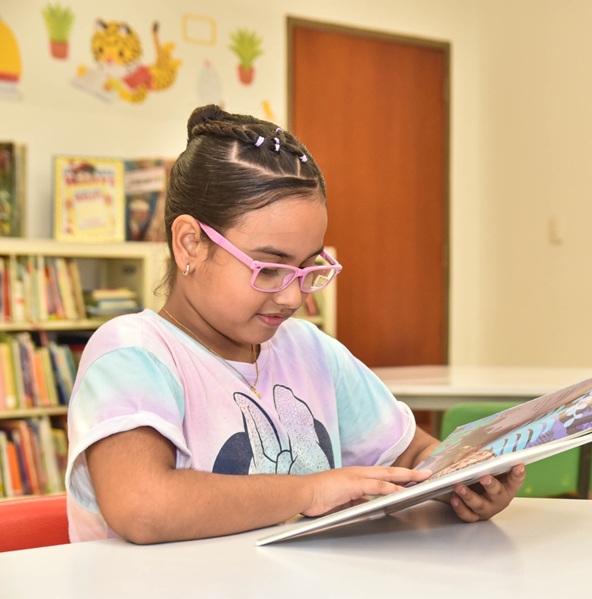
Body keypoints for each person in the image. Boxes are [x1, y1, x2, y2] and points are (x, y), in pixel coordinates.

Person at [64, 104, 525, 544]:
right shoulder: (133, 353)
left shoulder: (309, 350)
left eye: (308, 269)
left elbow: (408, 455)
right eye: (268, 268)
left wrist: (462, 481)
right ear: (189, 244)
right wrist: (311, 489)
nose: (292, 297)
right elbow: (144, 506)